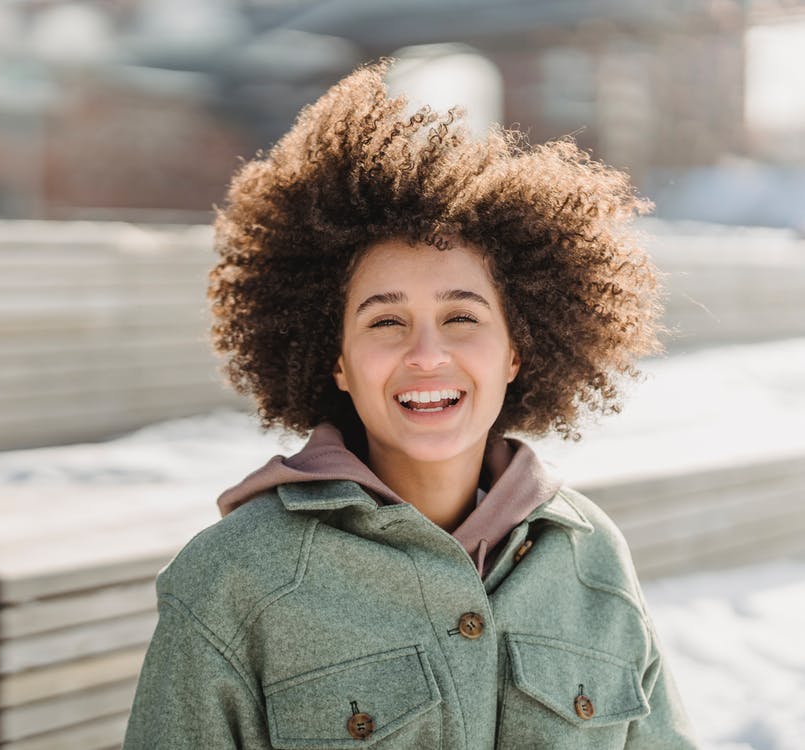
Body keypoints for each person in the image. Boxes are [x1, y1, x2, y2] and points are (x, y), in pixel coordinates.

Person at [123, 61, 698, 749]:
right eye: (384, 322)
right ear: (335, 360)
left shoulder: (590, 554)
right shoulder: (234, 579)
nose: (426, 355)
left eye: (461, 318)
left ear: (516, 350)